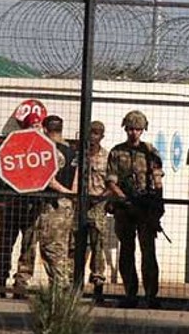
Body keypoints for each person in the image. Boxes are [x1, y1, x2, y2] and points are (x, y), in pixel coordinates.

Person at [106, 110, 165, 309]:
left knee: (148, 252)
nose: (134, 133)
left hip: (146, 208)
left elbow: (157, 181)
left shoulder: (151, 152)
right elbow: (111, 182)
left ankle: (151, 295)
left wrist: (157, 205)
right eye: (131, 129)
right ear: (125, 129)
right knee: (127, 251)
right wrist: (125, 201)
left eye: (138, 129)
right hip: (125, 209)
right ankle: (130, 293)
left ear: (143, 130)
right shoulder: (116, 152)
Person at [0, 113, 43, 299]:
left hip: (32, 206)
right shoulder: (13, 145)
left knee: (29, 246)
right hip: (12, 205)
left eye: (38, 124)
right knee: (5, 244)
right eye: (32, 125)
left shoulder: (44, 150)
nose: (36, 128)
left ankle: (21, 284)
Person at [70, 120, 117, 303]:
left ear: (102, 136)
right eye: (90, 132)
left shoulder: (107, 157)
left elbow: (112, 183)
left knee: (98, 246)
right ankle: (74, 286)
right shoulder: (78, 156)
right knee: (74, 246)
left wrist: (100, 198)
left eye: (97, 133)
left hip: (98, 206)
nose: (93, 136)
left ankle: (98, 286)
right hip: (79, 205)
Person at [33, 115, 76, 290]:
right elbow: (77, 177)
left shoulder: (51, 151)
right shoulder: (72, 151)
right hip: (67, 205)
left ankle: (60, 287)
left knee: (51, 248)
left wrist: (63, 191)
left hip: (54, 205)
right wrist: (72, 193)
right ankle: (62, 285)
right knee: (62, 247)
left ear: (44, 129)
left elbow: (49, 179)